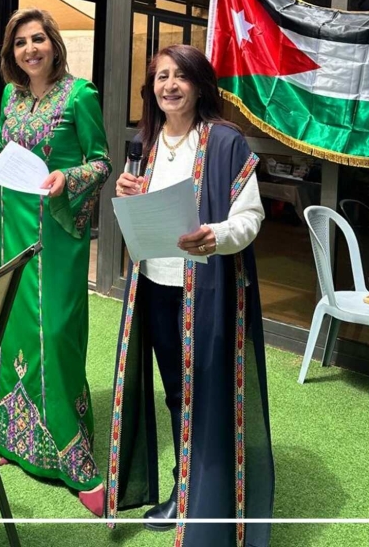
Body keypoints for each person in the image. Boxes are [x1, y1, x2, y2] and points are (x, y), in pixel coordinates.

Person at [107, 44, 274, 547]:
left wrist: (215, 235)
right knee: (177, 393)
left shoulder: (225, 142)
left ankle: (213, 499)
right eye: (161, 77)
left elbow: (251, 218)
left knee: (211, 393)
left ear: (200, 85)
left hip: (209, 290)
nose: (170, 85)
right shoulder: (146, 143)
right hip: (155, 287)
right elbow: (141, 214)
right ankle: (185, 489)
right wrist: (126, 195)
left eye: (180, 76)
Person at [0, 8, 111, 516]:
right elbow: (6, 154)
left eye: (37, 39)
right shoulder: (11, 96)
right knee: (9, 330)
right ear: (12, 53)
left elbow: (102, 161)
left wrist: (70, 178)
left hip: (57, 234)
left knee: (56, 333)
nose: (29, 50)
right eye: (20, 43)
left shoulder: (80, 95)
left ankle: (72, 453)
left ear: (53, 44)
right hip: (10, 229)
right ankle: (10, 437)